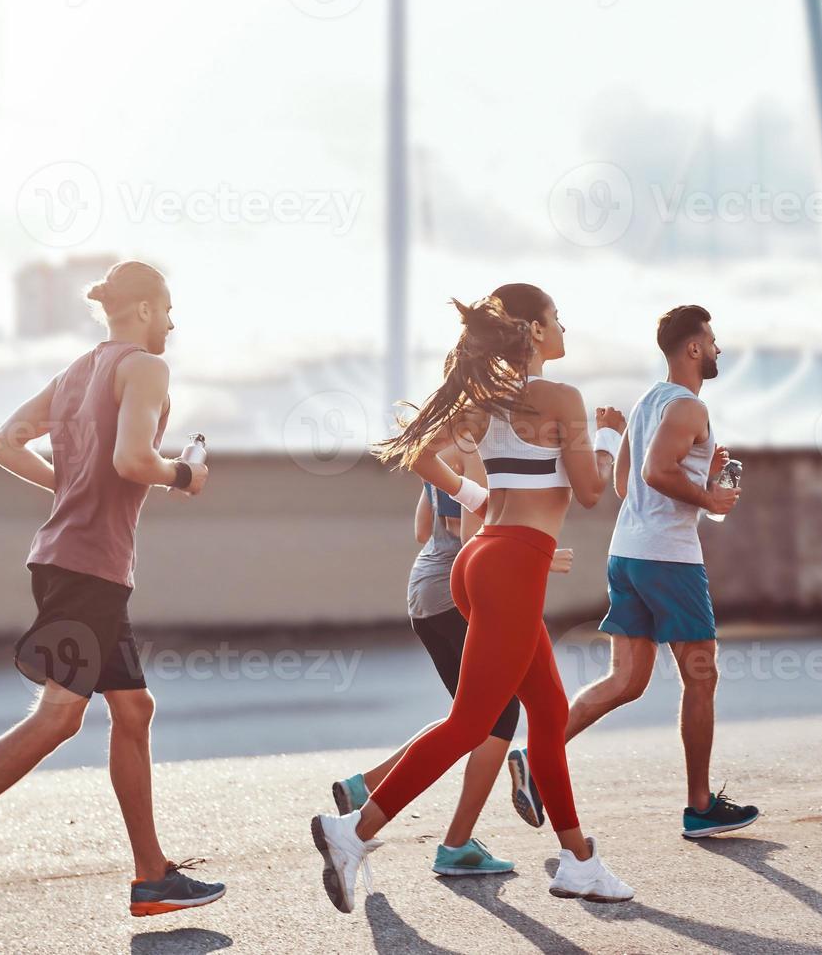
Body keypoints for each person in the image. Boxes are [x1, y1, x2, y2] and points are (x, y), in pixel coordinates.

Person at [309, 284, 634, 913]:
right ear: (535, 331)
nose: (564, 326)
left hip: (481, 554)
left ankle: (579, 863)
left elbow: (424, 452)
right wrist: (609, 437)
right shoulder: (562, 398)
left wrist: (476, 497)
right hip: (512, 563)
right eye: (556, 317)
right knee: (471, 722)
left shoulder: (482, 398)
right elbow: (592, 493)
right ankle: (352, 832)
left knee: (546, 709)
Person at [0, 261, 225, 932]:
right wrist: (187, 473)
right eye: (168, 311)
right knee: (60, 718)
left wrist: (69, 489)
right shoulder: (146, 368)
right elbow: (132, 462)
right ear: (145, 307)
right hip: (87, 570)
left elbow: (3, 444)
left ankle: (153, 877)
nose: (172, 325)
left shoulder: (76, 373)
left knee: (134, 708)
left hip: (69, 561)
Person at [507, 305, 760, 840]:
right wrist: (708, 494)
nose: (717, 349)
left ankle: (534, 756)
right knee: (701, 674)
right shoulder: (689, 407)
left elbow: (626, 484)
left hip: (629, 552)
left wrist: (704, 475)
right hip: (668, 558)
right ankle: (699, 806)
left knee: (627, 680)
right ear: (692, 348)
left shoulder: (648, 402)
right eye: (711, 340)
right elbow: (652, 472)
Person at [328, 442, 575, 877]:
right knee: (493, 717)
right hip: (457, 591)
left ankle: (366, 786)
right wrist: (535, 553)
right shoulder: (474, 448)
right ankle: (455, 843)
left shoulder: (438, 450)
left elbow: (424, 531)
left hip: (424, 591)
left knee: (469, 716)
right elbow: (469, 535)